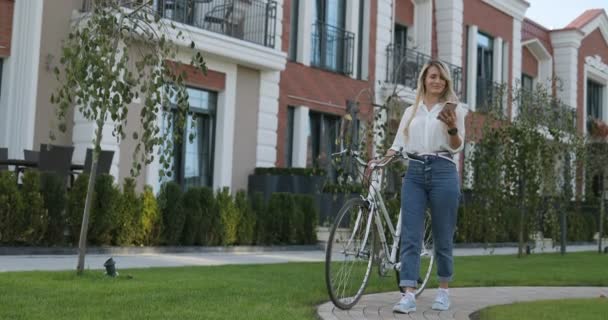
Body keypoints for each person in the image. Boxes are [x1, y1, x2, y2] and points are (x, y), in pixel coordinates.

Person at [368, 60, 466, 314]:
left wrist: (452, 126)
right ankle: (408, 295)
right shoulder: (411, 111)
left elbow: (457, 146)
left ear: (446, 82)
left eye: (442, 77)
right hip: (414, 173)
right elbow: (397, 144)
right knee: (410, 236)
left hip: (444, 171)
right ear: (424, 79)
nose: (437, 81)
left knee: (443, 237)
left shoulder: (455, 110)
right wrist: (380, 161)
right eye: (433, 76)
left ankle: (443, 291)